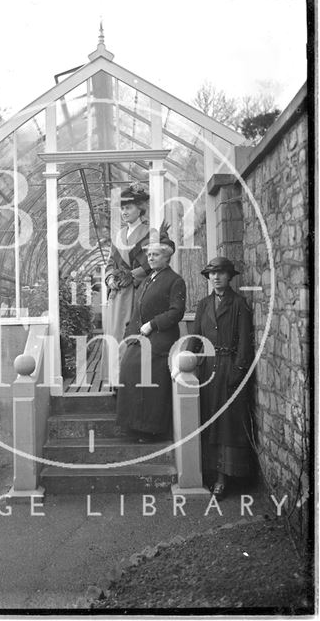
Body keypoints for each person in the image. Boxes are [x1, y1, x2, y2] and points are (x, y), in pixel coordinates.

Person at [190, 256, 254, 500]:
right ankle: (210, 473)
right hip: (208, 370)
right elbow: (195, 339)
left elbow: (245, 344)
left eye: (221, 273)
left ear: (230, 276)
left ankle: (225, 479)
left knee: (228, 424)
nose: (216, 277)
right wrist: (183, 360)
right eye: (212, 274)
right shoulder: (203, 304)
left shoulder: (239, 304)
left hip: (229, 368)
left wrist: (237, 372)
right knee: (210, 420)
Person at [116, 224, 186, 442]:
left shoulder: (175, 280)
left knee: (148, 377)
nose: (152, 258)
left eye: (156, 255)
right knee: (128, 368)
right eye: (150, 255)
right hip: (141, 337)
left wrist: (153, 324)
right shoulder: (148, 279)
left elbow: (177, 312)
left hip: (161, 338)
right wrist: (131, 335)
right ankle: (132, 426)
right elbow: (138, 311)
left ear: (167, 258)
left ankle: (151, 429)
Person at [101, 183, 153, 386]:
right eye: (122, 208)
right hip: (118, 295)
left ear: (140, 208)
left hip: (139, 292)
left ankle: (133, 381)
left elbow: (152, 261)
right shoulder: (118, 236)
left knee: (133, 333)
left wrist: (132, 275)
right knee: (115, 334)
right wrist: (111, 279)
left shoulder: (150, 233)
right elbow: (110, 263)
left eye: (128, 207)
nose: (124, 212)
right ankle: (115, 381)